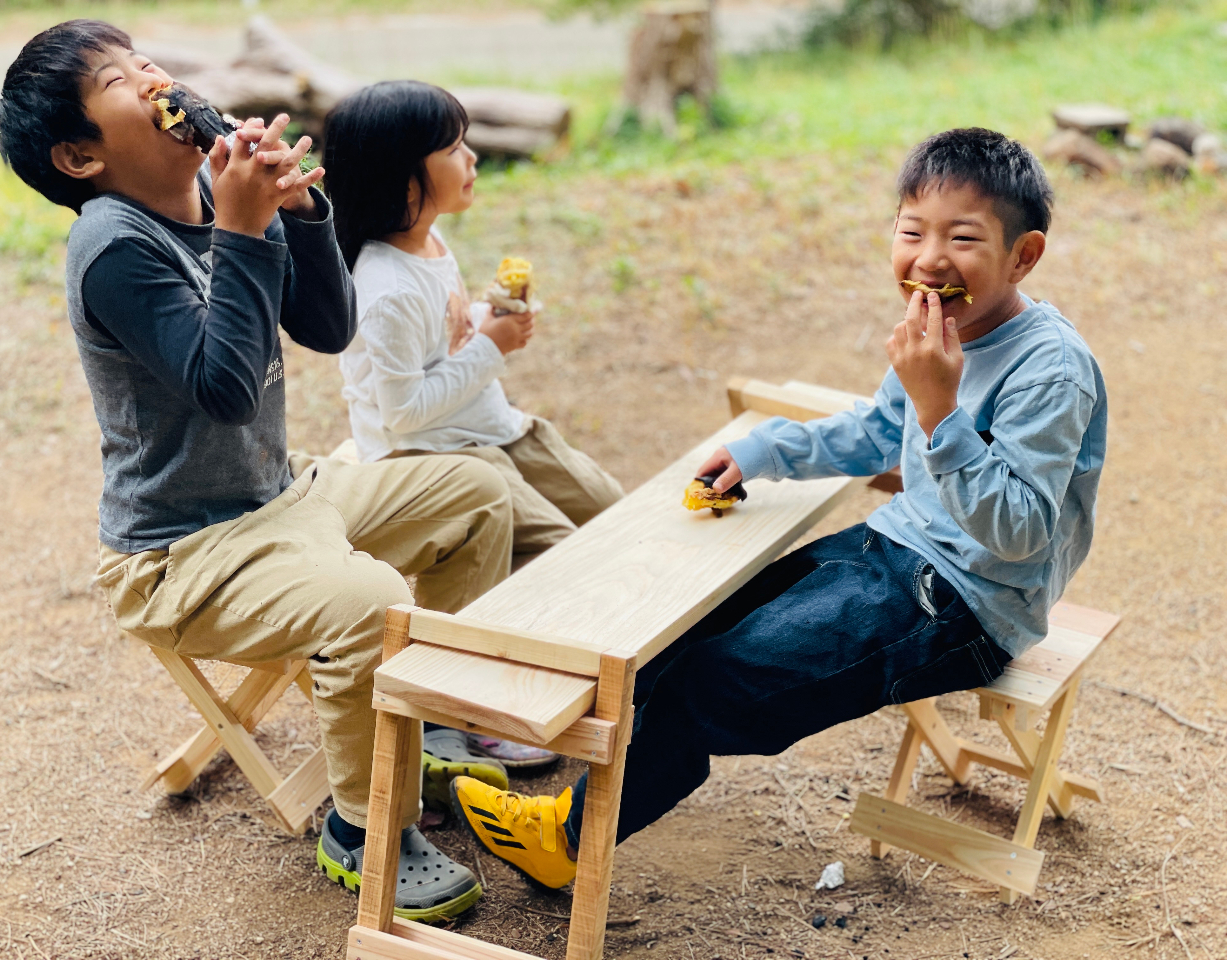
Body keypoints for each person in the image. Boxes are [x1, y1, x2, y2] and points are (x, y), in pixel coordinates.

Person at [448, 128, 1108, 889]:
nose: (929, 258)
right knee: (678, 635)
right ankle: (609, 792)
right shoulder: (939, 326)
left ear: (1023, 256)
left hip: (969, 603)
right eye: (911, 231)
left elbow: (1022, 534)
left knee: (719, 680)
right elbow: (874, 428)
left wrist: (940, 414)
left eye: (962, 238)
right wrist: (764, 453)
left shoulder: (1050, 369)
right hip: (894, 547)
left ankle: (568, 841)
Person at [0, 20, 513, 921]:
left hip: (285, 495)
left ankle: (416, 722)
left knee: (475, 494)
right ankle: (361, 825)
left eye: (145, 60)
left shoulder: (208, 187)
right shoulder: (115, 247)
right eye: (119, 79)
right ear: (80, 156)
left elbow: (328, 327)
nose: (153, 78)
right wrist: (242, 229)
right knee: (368, 602)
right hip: (185, 551)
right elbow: (224, 392)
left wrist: (302, 214)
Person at [323, 81, 625, 570]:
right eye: (453, 148)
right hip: (429, 453)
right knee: (570, 558)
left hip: (482, 426)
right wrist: (491, 347)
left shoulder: (428, 238)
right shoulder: (388, 288)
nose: (473, 157)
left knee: (616, 513)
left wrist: (492, 318)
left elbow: (445, 342)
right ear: (402, 178)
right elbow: (403, 413)